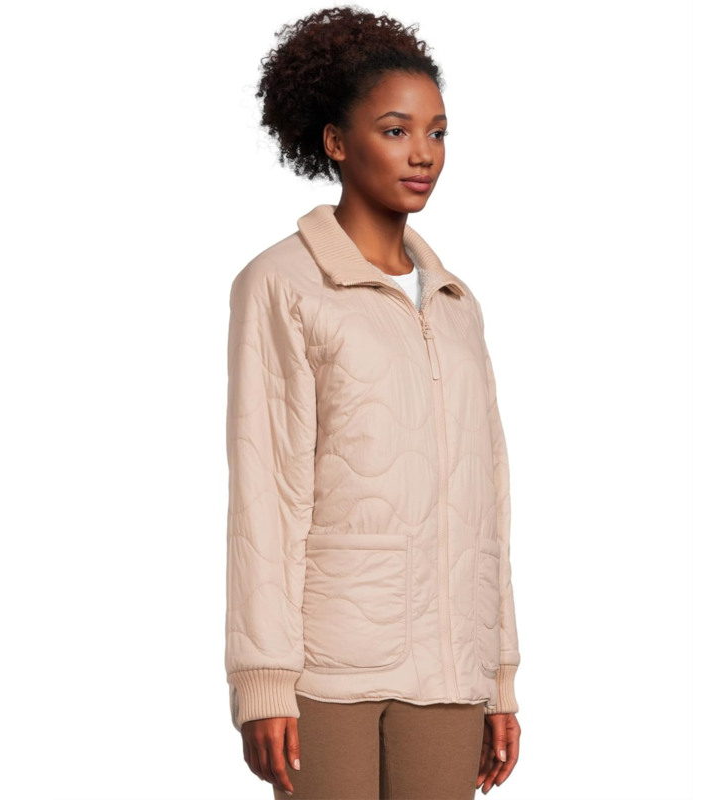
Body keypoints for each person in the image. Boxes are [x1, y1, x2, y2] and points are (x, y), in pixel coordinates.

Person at [224, 6, 521, 798]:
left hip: (449, 670)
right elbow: (266, 493)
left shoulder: (456, 303)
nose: (424, 154)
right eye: (396, 131)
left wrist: (498, 676)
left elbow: (487, 501)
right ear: (335, 141)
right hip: (326, 670)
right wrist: (263, 678)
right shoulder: (282, 284)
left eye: (438, 132)